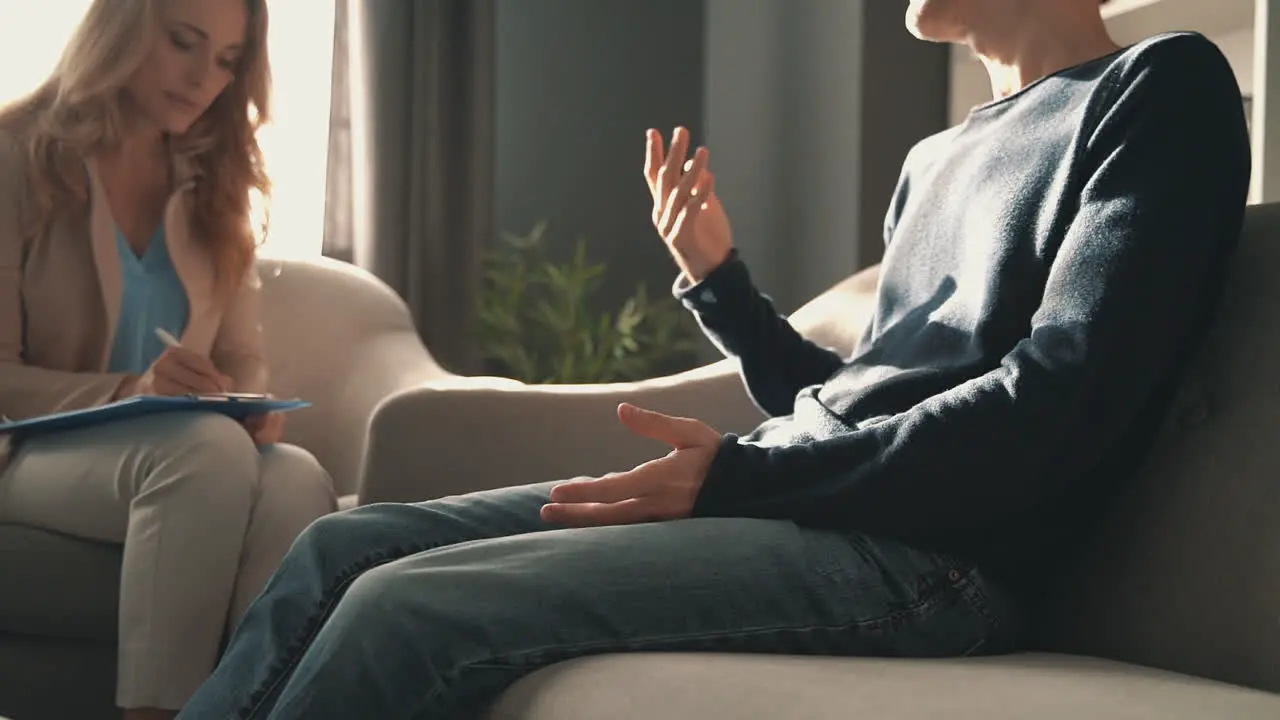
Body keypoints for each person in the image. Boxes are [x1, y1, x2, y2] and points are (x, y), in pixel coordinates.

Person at [177, 0, 1251, 717]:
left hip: (932, 561)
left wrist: (742, 476)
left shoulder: (1158, 90)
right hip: (810, 499)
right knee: (340, 550)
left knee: (402, 609)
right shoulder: (938, 156)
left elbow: (1054, 400)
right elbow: (848, 407)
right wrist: (720, 284)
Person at [0, 0, 337, 718]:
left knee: (297, 479)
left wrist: (246, 403)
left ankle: (252, 710)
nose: (202, 78)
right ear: (120, 28)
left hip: (177, 449)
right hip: (26, 449)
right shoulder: (16, 155)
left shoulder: (214, 172)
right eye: (184, 42)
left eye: (224, 60)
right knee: (203, 452)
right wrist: (133, 388)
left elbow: (243, 354)